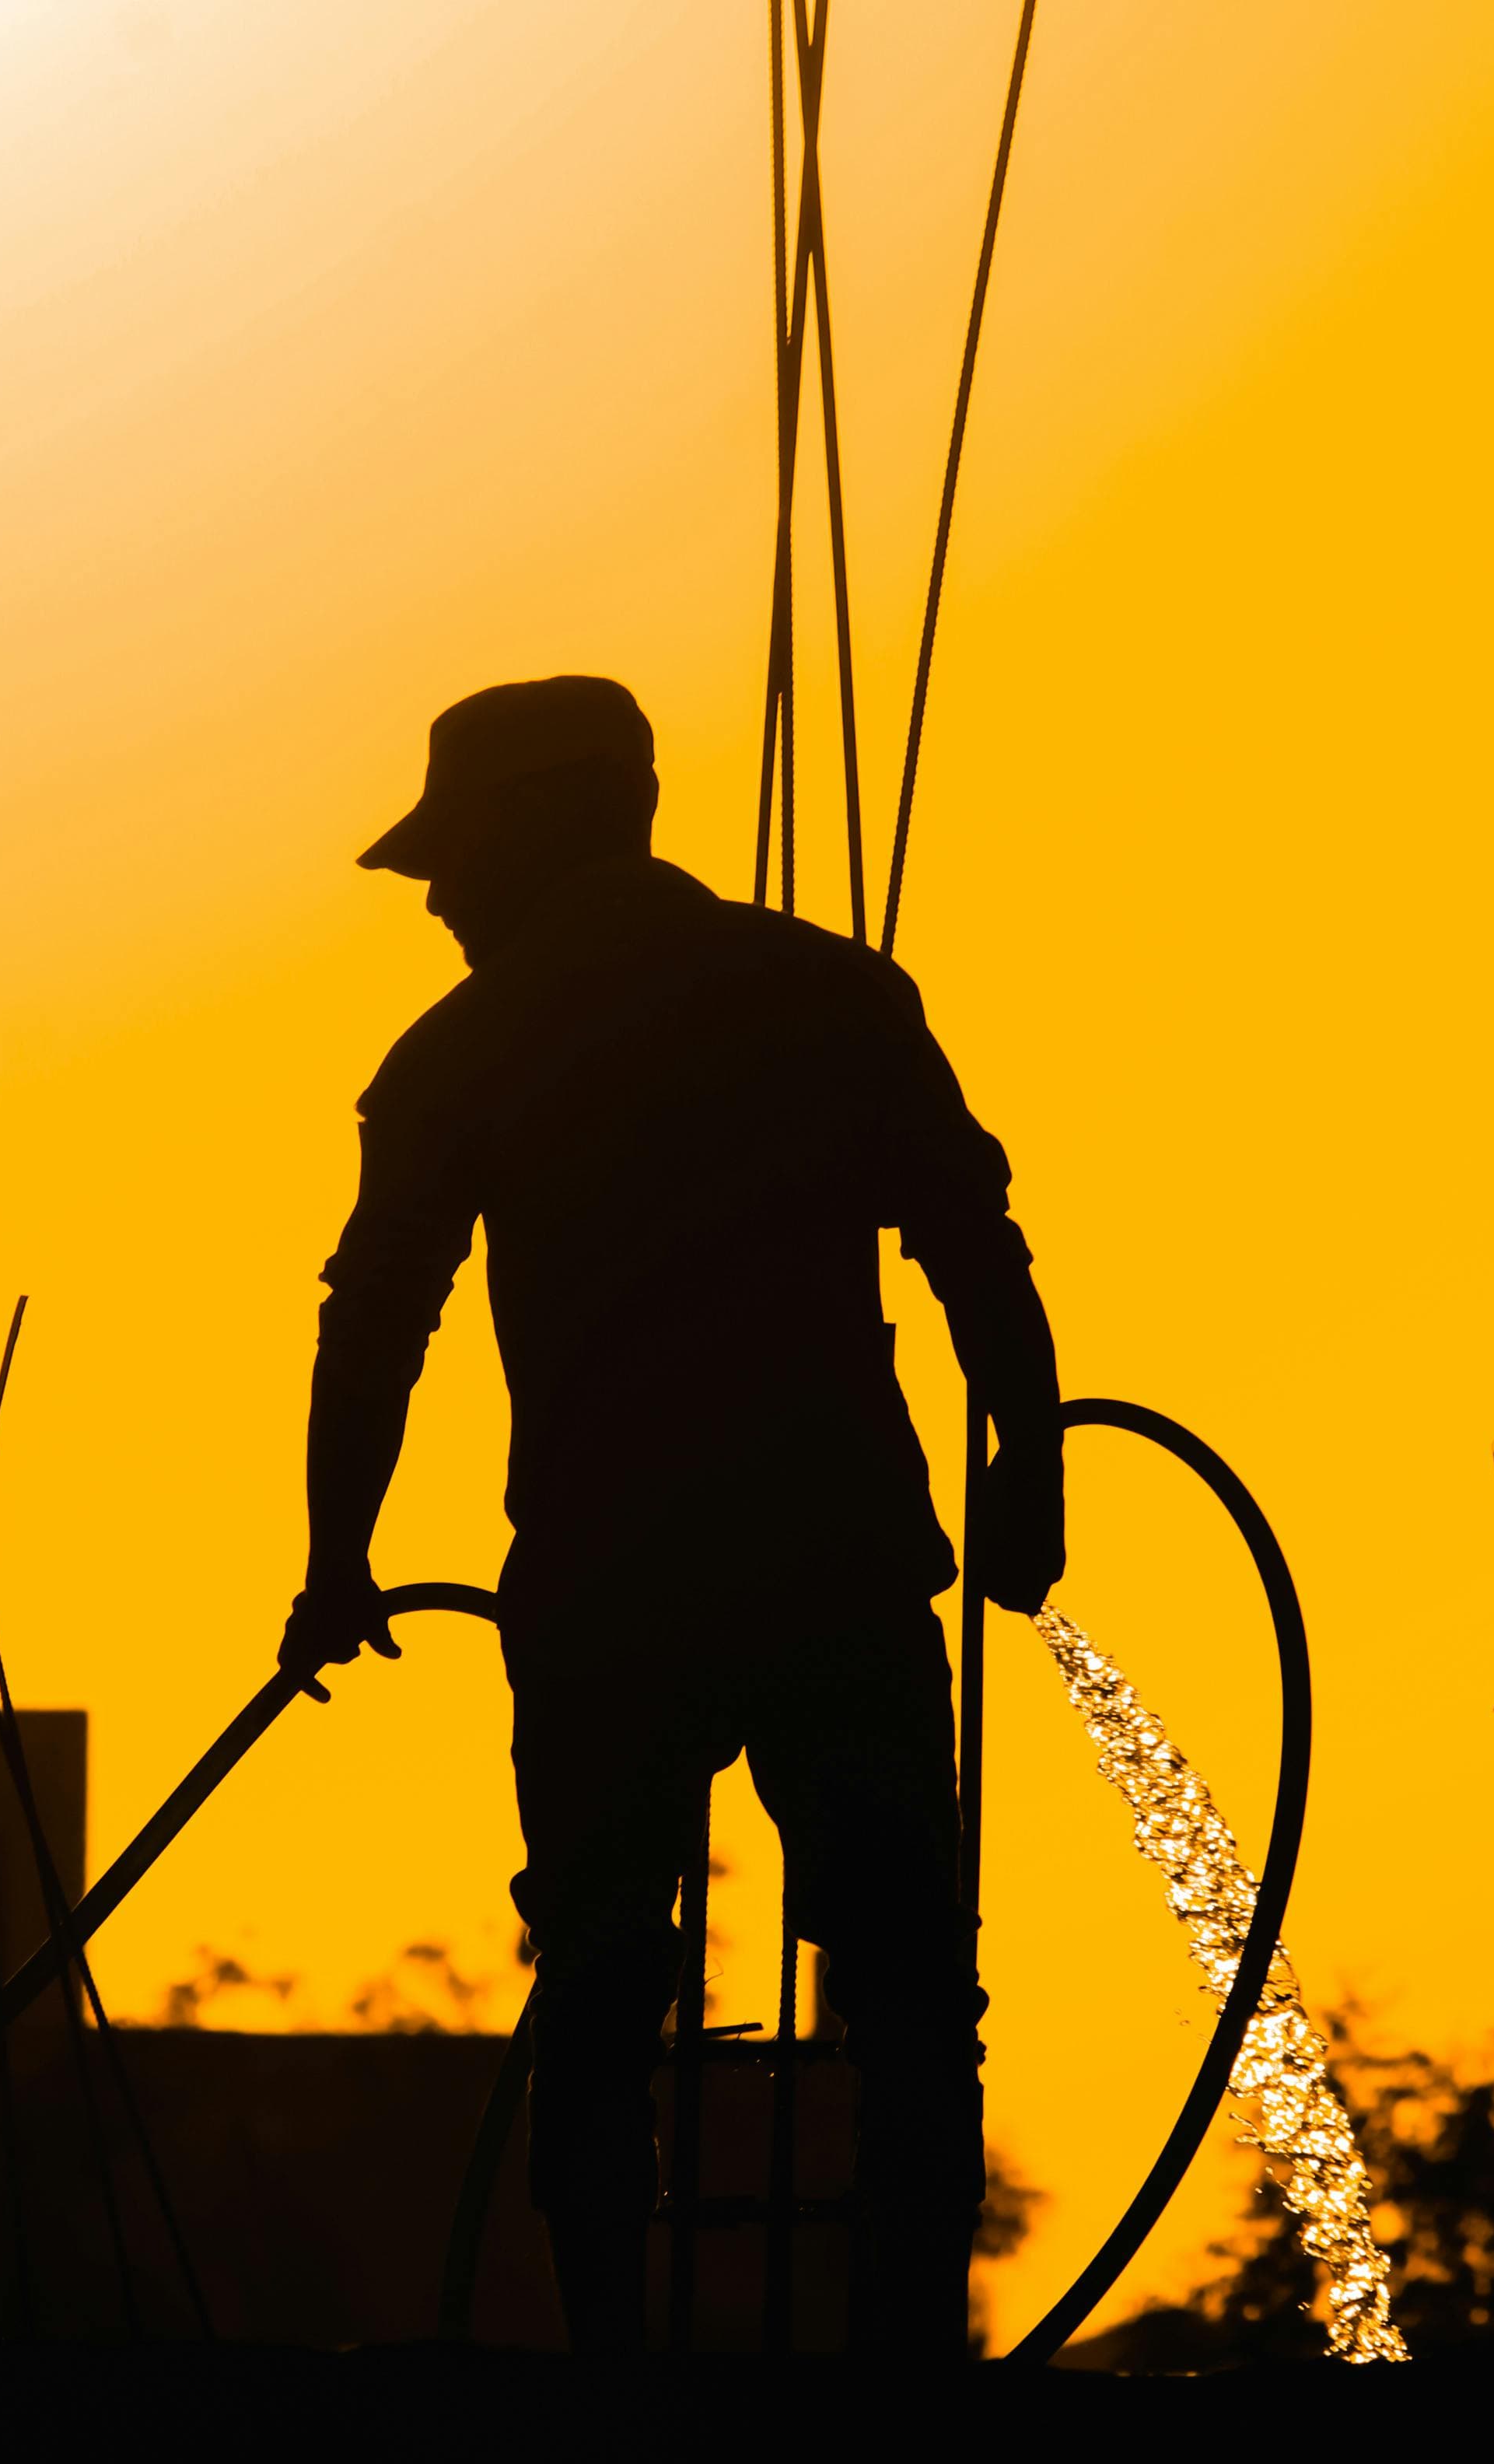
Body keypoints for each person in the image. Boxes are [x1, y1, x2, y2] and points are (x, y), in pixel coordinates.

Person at [283, 675, 1064, 2357]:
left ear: (542, 833)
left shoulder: (467, 1052)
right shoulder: (829, 996)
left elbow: (379, 1320)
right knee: (910, 1990)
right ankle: (904, 2358)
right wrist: (1028, 1465)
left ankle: (618, 2370)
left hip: (614, 1587)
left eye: (455, 859)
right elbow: (971, 1246)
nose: (436, 896)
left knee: (599, 1994)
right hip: (833, 1559)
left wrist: (336, 1559)